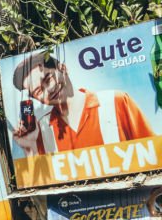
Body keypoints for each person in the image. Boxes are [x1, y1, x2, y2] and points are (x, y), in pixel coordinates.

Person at [11, 51, 155, 156]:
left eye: (48, 79)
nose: (48, 90)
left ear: (62, 68)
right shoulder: (42, 129)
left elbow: (155, 155)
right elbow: (44, 189)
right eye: (38, 91)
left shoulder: (116, 101)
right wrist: (30, 148)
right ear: (35, 98)